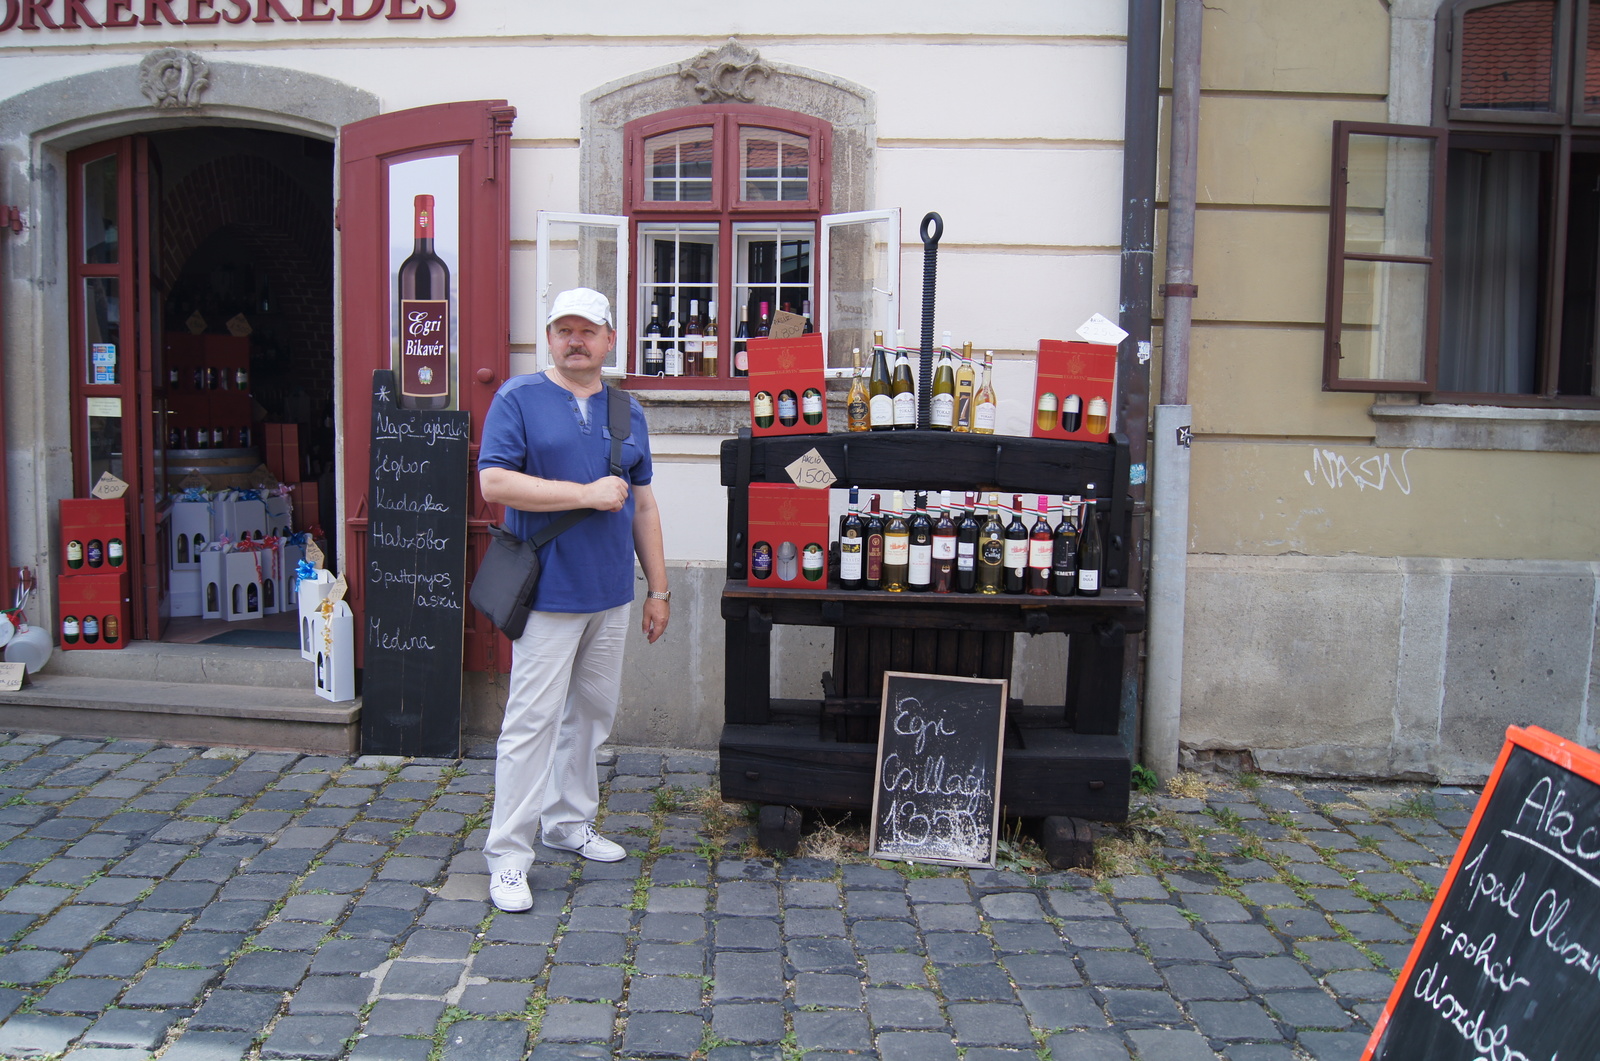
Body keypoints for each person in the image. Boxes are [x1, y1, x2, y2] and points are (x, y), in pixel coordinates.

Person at [476, 287, 670, 913]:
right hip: (547, 593)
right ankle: (508, 854)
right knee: (530, 724)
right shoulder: (519, 397)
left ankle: (567, 822)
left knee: (590, 715)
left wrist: (658, 588)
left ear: (609, 339)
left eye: (588, 330)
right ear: (550, 338)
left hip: (610, 594)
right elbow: (494, 482)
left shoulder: (627, 410)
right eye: (564, 330)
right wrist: (582, 495)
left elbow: (643, 503)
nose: (575, 340)